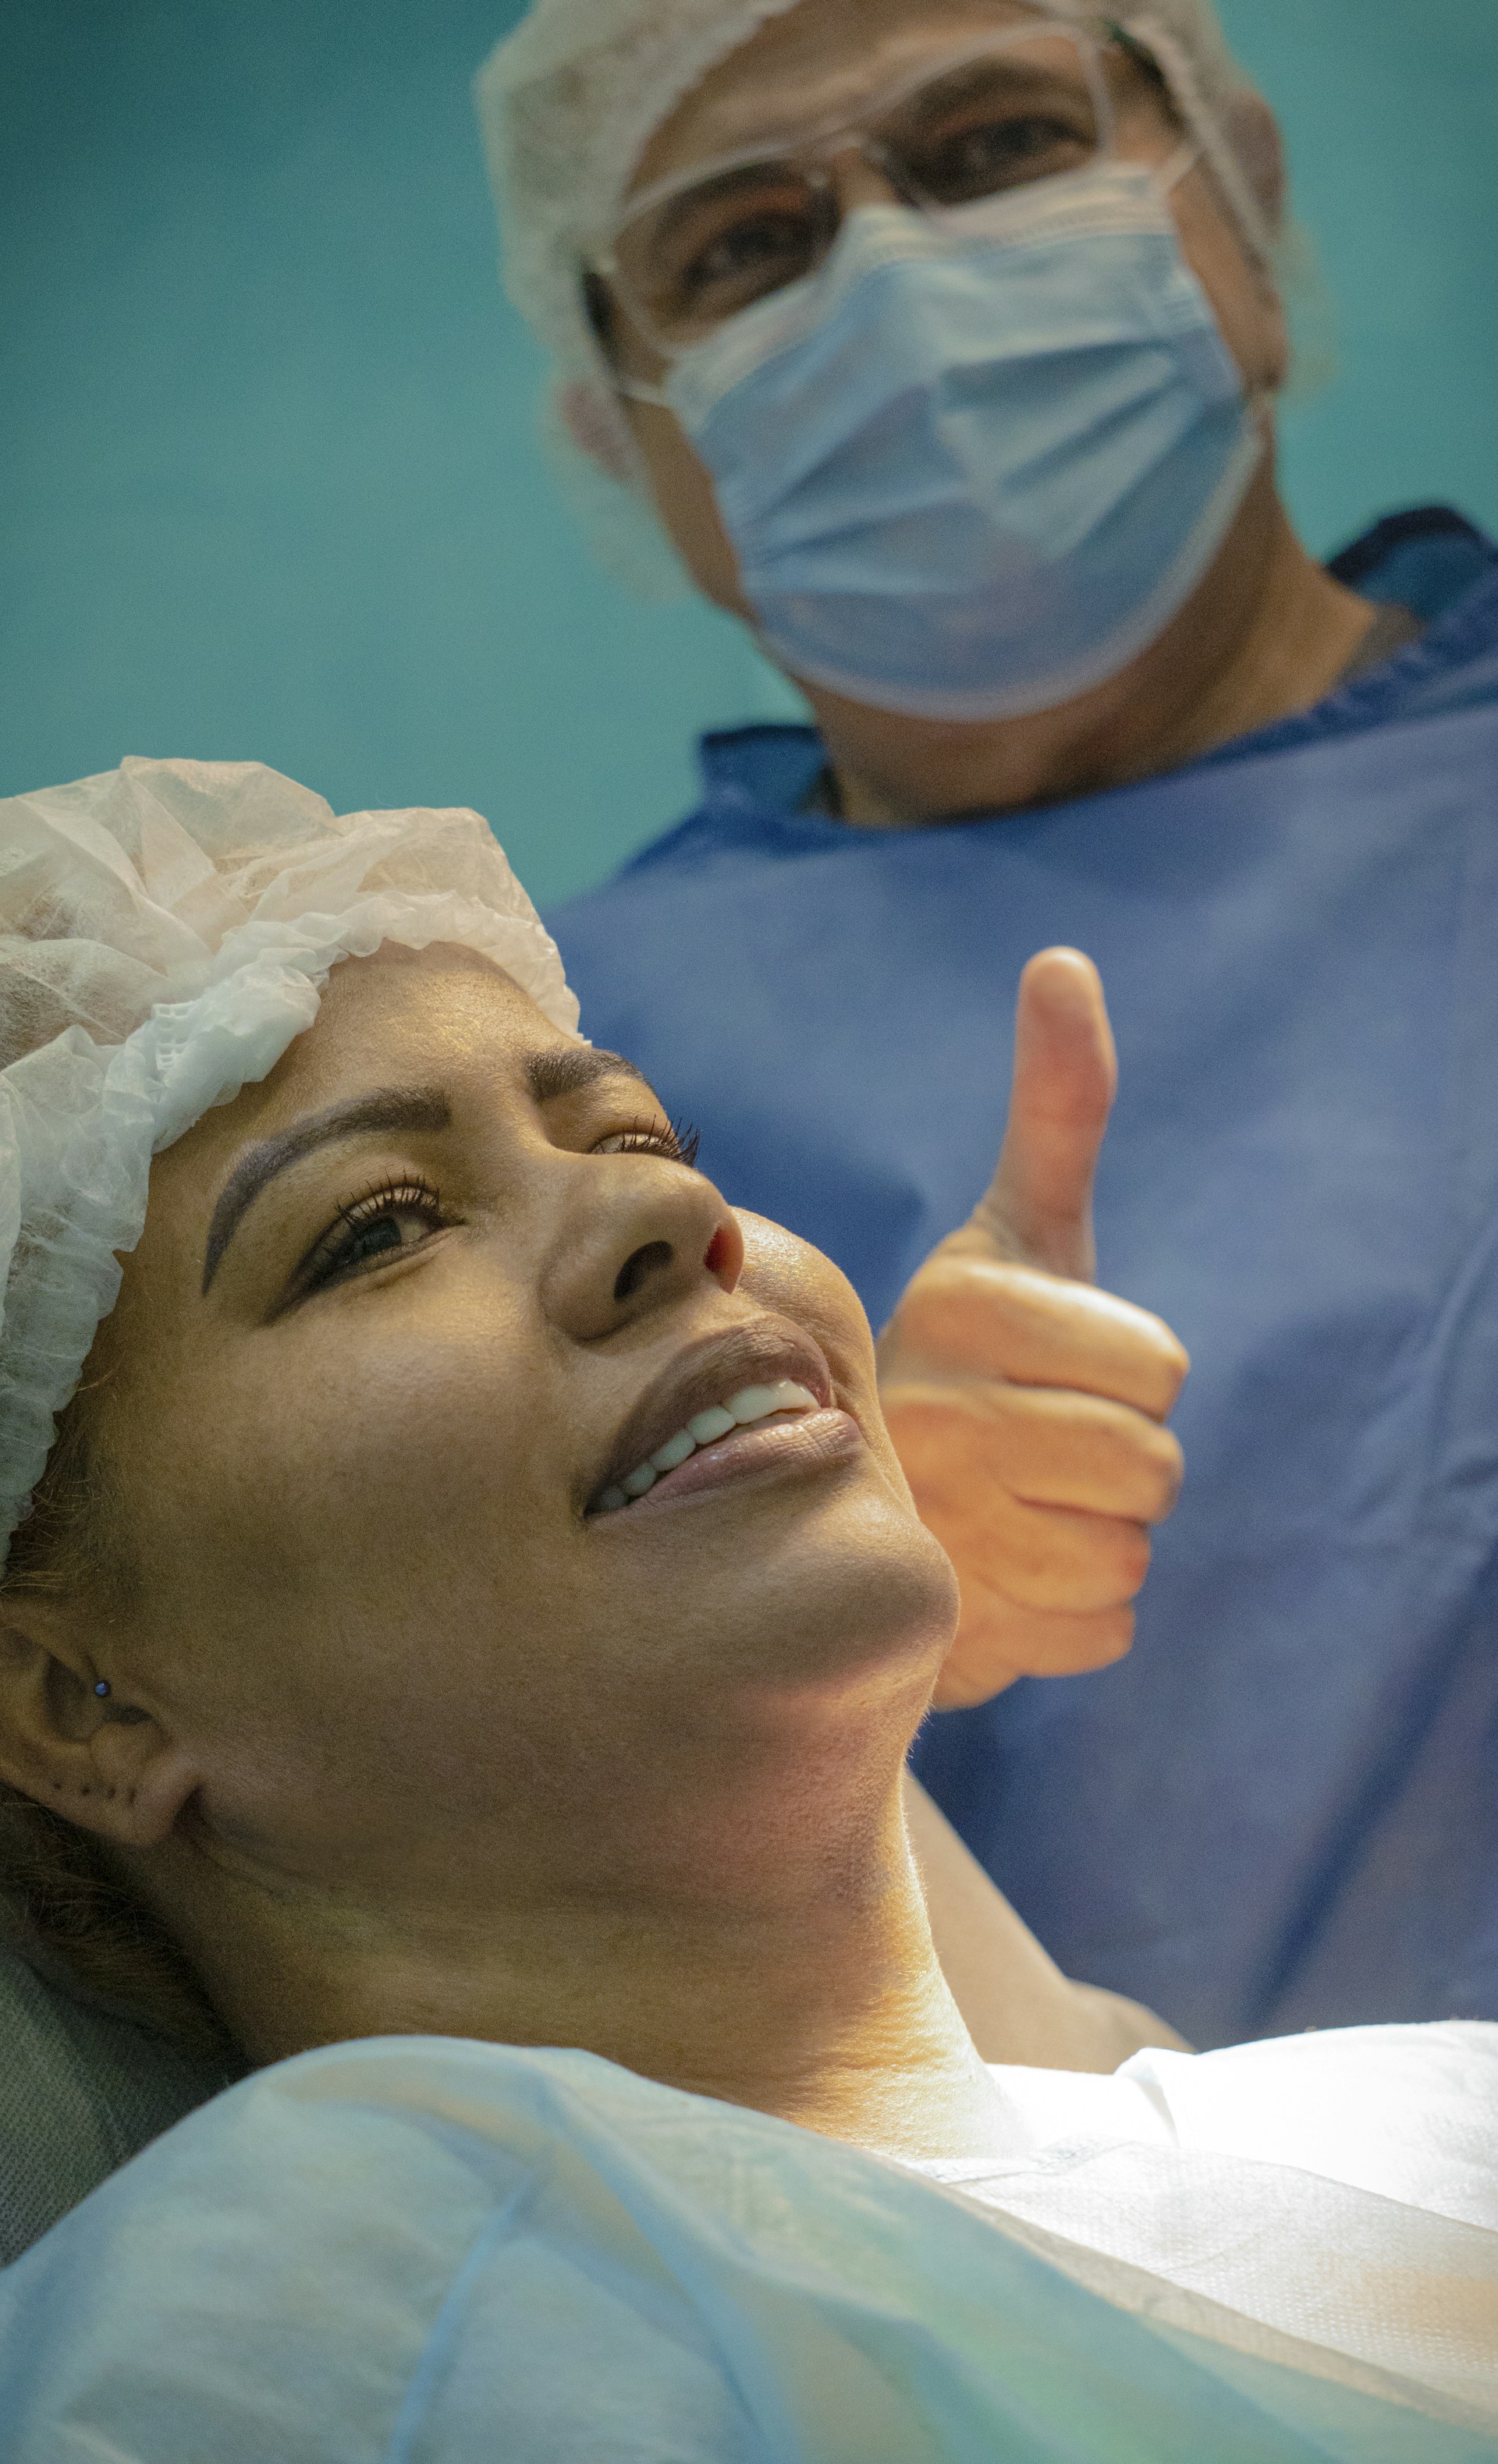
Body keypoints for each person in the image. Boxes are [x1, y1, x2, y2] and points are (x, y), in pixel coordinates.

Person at [0, 761, 1493, 2463]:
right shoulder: (327, 2310)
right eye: (378, 1231)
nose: (667, 1211)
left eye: (637, 1132)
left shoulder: (1422, 2128)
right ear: (76, 1698)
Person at [474, 0, 1498, 2047]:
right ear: (627, 429)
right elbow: (464, 1865)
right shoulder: (542, 1079)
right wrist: (823, 1610)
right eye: (743, 243)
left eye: (994, 143)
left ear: (1240, 204)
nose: (898, 278)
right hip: (1019, 2335)